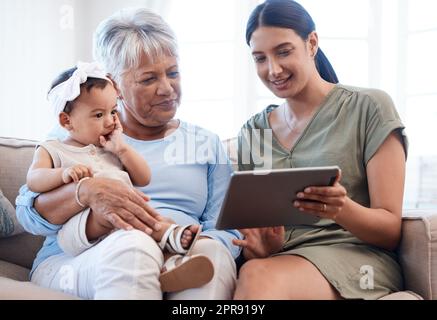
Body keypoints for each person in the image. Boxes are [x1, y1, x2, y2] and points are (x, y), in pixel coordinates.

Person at [16, 8, 241, 300]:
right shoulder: (74, 137)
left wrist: (180, 246)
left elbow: (227, 228)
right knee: (135, 248)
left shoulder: (205, 143)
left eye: (173, 73)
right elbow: (28, 214)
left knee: (212, 253)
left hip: (177, 253)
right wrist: (84, 191)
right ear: (115, 83)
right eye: (148, 79)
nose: (166, 88)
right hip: (77, 259)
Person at [233, 0, 407, 300]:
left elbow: (390, 230)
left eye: (283, 52)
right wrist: (263, 249)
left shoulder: (369, 107)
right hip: (283, 264)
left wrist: (342, 209)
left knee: (257, 276)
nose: (272, 69)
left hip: (357, 261)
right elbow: (259, 235)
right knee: (255, 270)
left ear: (311, 43)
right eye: (260, 58)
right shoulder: (253, 132)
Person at [25, 61, 214, 292]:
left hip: (121, 230)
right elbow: (34, 179)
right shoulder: (53, 149)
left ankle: (169, 264)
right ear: (67, 121)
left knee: (149, 219)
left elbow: (143, 178)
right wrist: (63, 174)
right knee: (126, 216)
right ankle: (169, 241)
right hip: (78, 231)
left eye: (113, 111)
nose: (110, 121)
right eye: (98, 114)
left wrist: (122, 149)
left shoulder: (111, 150)